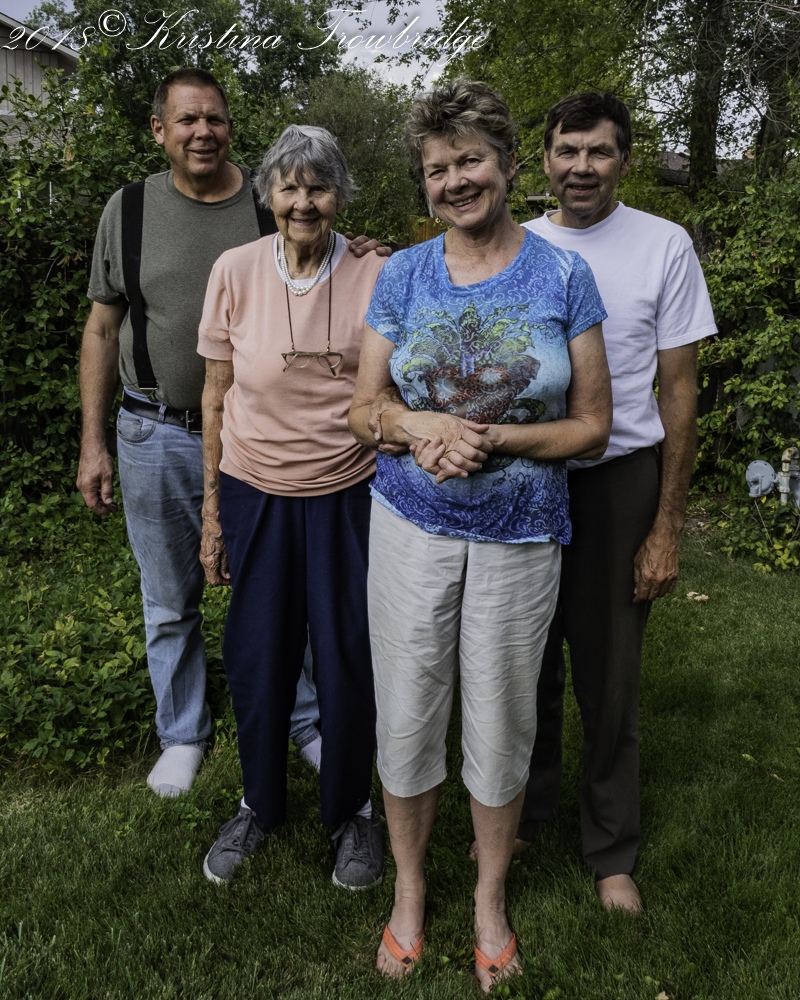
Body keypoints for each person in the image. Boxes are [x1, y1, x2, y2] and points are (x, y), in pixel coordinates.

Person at [349, 79, 612, 990]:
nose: (455, 180)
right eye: (437, 169)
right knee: (408, 709)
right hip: (409, 526)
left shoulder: (564, 277)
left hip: (521, 533)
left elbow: (592, 428)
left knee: (501, 719)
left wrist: (492, 437)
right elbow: (363, 409)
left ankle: (489, 900)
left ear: (505, 163)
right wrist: (418, 425)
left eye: (470, 160)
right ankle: (411, 890)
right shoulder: (403, 274)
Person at [77, 70, 387, 797]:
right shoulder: (129, 210)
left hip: (260, 441)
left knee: (278, 592)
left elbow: (320, 257)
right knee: (169, 595)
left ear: (230, 127)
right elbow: (102, 328)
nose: (202, 132)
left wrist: (362, 251)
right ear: (160, 130)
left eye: (214, 118)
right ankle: (182, 733)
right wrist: (93, 441)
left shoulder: (265, 199)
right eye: (186, 120)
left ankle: (302, 721)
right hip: (155, 429)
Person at [506, 92, 716, 913]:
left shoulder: (664, 245)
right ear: (544, 160)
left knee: (610, 673)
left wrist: (666, 527)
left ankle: (611, 847)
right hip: (526, 477)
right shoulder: (518, 246)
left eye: (599, 152)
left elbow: (680, 392)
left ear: (624, 160)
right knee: (521, 660)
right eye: (568, 151)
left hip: (619, 478)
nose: (582, 167)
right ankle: (526, 815)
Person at [198, 124, 386, 890]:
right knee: (258, 656)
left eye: (319, 187)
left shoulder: (379, 271)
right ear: (267, 194)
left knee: (349, 657)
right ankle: (258, 802)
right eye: (289, 186)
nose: (303, 202)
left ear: (340, 195)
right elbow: (215, 397)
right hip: (256, 491)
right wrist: (213, 514)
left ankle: (354, 812)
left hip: (349, 494)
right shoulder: (234, 270)